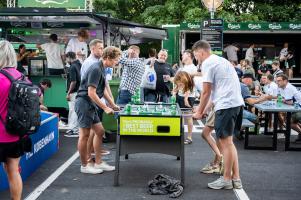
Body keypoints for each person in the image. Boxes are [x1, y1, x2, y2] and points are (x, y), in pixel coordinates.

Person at [192, 40, 244, 190]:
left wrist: (199, 111)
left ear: (201, 52)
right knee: (229, 143)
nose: (197, 59)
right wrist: (203, 110)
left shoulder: (208, 63)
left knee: (225, 144)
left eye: (196, 56)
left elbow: (206, 91)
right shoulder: (222, 61)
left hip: (226, 105)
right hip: (235, 104)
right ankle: (236, 178)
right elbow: (214, 95)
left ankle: (226, 179)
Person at [75, 46, 121, 174]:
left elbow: (102, 89)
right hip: (84, 103)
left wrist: (112, 104)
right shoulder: (96, 69)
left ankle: (98, 162)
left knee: (99, 131)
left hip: (90, 104)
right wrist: (105, 107)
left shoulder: (102, 68)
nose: (116, 62)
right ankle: (84, 165)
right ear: (107, 58)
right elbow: (91, 92)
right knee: (84, 135)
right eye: (115, 60)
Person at [0, 40, 32, 200]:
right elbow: (36, 95)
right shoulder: (21, 76)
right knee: (13, 170)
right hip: (17, 133)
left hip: (0, 134)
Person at [275, 74, 301, 142]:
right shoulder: (280, 87)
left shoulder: (289, 87)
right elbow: (279, 98)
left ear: (285, 81)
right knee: (289, 121)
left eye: (279, 81)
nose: (277, 82)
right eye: (277, 81)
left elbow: (290, 102)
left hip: (299, 108)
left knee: (289, 121)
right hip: (295, 108)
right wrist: (283, 100)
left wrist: (282, 100)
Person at [173, 71, 196, 145]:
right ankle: (180, 135)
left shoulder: (189, 85)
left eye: (180, 83)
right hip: (180, 98)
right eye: (178, 83)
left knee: (188, 118)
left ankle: (189, 137)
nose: (179, 84)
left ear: (184, 80)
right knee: (181, 118)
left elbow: (186, 101)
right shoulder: (178, 83)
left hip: (188, 99)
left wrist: (190, 106)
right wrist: (174, 93)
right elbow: (175, 91)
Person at [65, 52, 81, 137]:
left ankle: (73, 129)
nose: (66, 60)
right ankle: (76, 128)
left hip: (74, 92)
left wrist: (68, 93)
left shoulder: (72, 67)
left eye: (66, 58)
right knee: (76, 110)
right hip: (80, 91)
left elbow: (73, 81)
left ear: (69, 57)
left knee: (73, 111)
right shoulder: (79, 64)